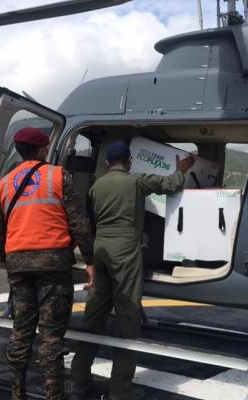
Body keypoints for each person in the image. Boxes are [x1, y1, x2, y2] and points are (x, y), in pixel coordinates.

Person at [70, 141, 194, 400]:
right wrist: (181, 169)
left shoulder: (96, 186)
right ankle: (121, 389)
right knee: (127, 317)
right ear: (129, 160)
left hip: (100, 248)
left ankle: (79, 382)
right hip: (124, 250)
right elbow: (170, 184)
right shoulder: (135, 181)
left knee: (93, 316)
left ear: (107, 162)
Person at [0, 127, 95, 400]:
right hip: (52, 263)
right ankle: (53, 395)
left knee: (21, 331)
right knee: (51, 335)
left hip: (18, 263)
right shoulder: (58, 175)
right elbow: (79, 223)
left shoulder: (4, 183)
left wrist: (10, 259)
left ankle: (17, 393)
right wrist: (89, 260)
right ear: (42, 149)